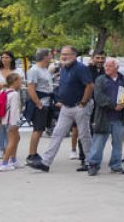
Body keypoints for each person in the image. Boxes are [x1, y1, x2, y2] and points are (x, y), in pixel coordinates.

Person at [30, 45, 93, 173]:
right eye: (62, 54)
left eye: (67, 54)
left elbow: (89, 86)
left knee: (84, 135)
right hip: (66, 107)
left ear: (74, 56)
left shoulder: (81, 68)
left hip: (79, 106)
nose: (63, 56)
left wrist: (83, 102)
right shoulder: (64, 68)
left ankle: (90, 163)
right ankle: (45, 163)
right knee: (57, 134)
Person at [87, 58, 124, 175]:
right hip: (103, 118)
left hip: (119, 118)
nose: (106, 68)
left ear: (116, 68)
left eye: (109, 66)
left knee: (118, 143)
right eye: (106, 66)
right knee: (98, 143)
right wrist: (114, 105)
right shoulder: (100, 80)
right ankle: (93, 165)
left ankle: (116, 165)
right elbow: (98, 97)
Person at [24, 49, 54, 165]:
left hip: (46, 102)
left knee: (40, 129)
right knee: (37, 129)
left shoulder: (45, 69)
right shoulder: (34, 70)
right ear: (45, 57)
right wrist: (38, 103)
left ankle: (34, 152)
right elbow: (31, 88)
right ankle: (31, 154)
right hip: (40, 103)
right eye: (50, 55)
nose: (52, 56)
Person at [0, 51, 19, 158]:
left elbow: (17, 86)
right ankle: (1, 148)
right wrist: (8, 84)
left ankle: (9, 147)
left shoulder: (17, 70)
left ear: (11, 59)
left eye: (7, 57)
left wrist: (2, 85)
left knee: (11, 124)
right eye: (2, 57)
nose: (4, 59)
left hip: (13, 100)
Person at [0, 72, 23, 172]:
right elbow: (14, 110)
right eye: (20, 81)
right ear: (15, 81)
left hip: (4, 119)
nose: (21, 83)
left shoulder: (3, 91)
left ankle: (13, 160)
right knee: (12, 141)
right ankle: (5, 163)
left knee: (17, 138)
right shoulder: (14, 94)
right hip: (12, 121)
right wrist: (15, 124)